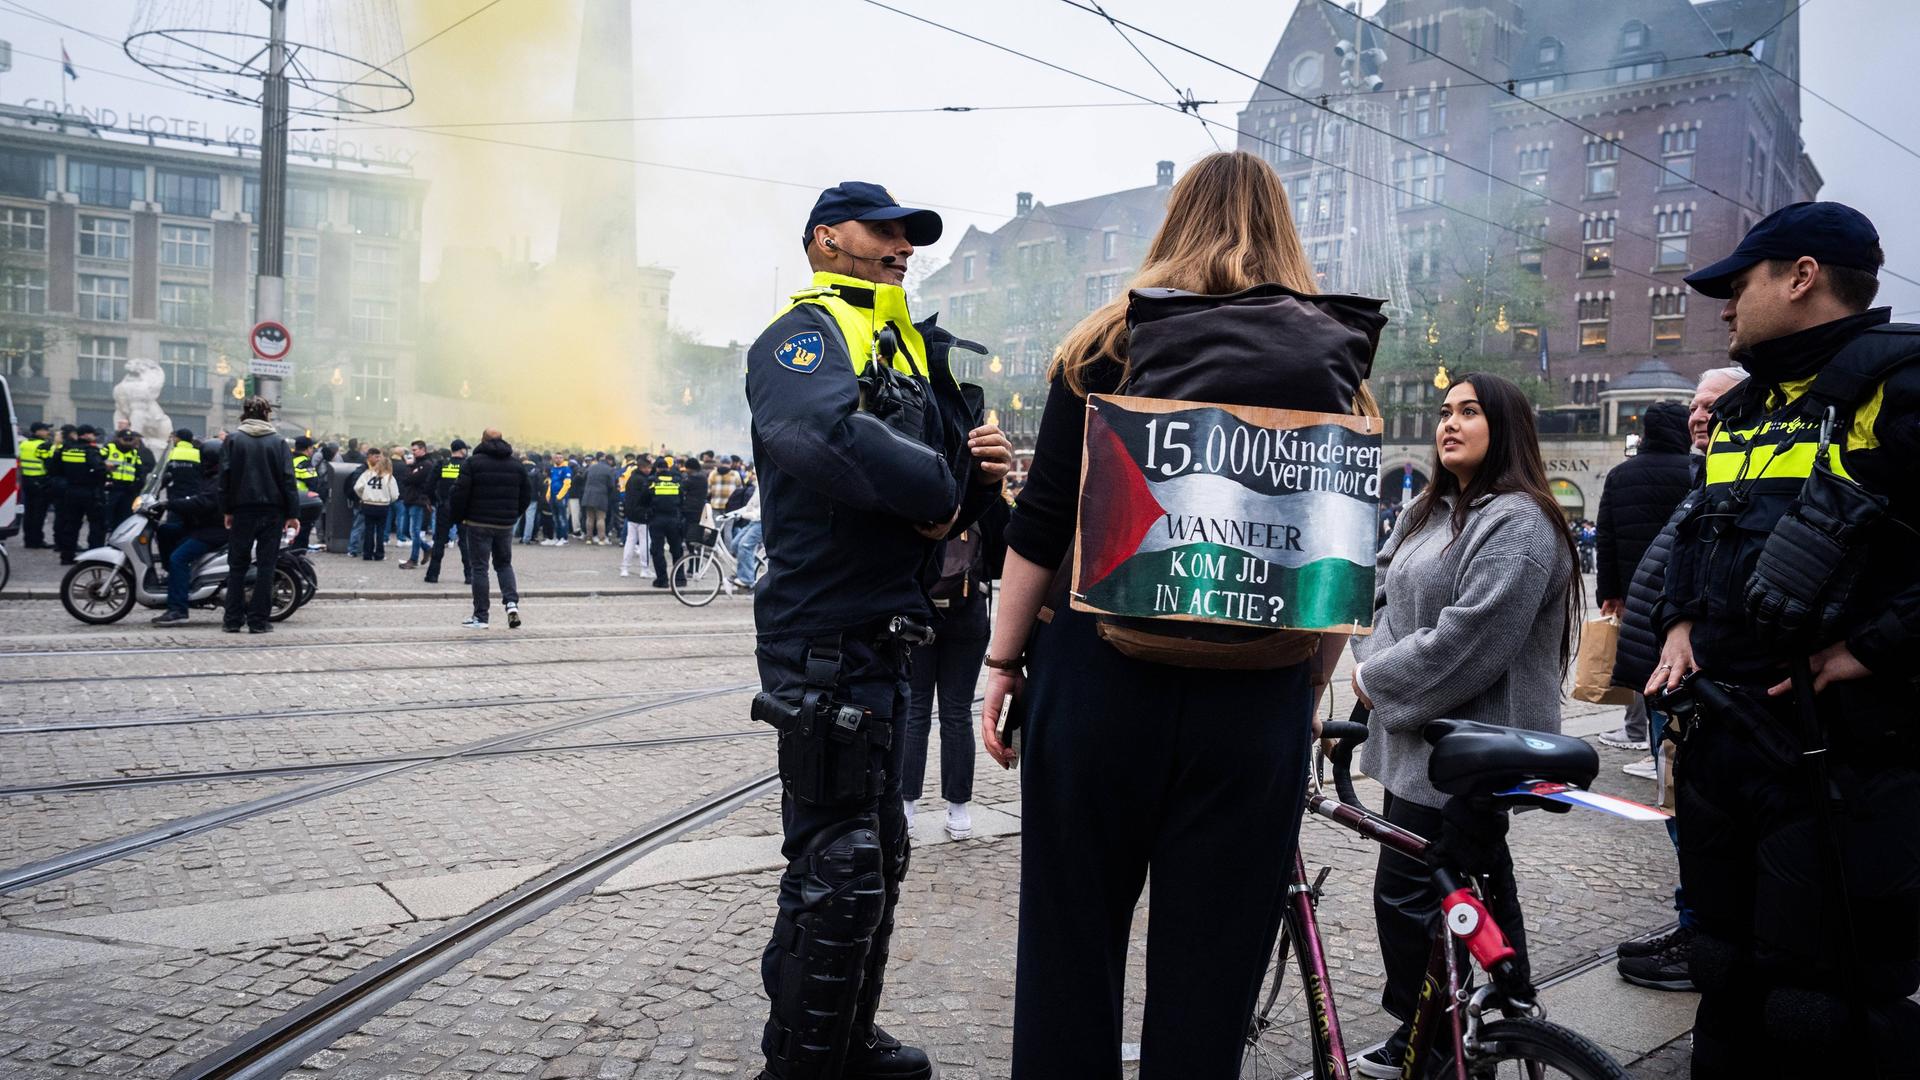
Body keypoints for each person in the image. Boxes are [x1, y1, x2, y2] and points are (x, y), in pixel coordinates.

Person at [977, 152, 1362, 1078]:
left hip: (1102, 676)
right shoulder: (1334, 354)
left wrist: (1000, 660)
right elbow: (1343, 548)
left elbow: (1043, 516)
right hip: (1255, 696)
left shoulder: (1107, 342)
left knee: (1072, 936)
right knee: (1215, 959)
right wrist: (1307, 681)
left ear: (1174, 222)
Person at [747, 179, 1011, 1080]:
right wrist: (944, 489)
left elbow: (951, 489)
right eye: (883, 230)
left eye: (910, 235)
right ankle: (802, 1065)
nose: (903, 246)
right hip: (820, 631)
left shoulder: (904, 350)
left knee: (879, 852)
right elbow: (814, 432)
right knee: (840, 863)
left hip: (890, 630)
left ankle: (845, 1040)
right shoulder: (802, 336)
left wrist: (983, 471)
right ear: (827, 239)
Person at [1649, 202, 1920, 1077]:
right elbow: (1704, 534)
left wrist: (1872, 649)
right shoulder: (1745, 407)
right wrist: (1682, 620)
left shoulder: (1901, 387)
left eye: (1739, 285)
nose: (1724, 307)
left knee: (1818, 1004)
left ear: (1802, 277)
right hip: (1726, 746)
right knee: (1722, 970)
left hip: (1845, 760)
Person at [1346, 373, 1578, 1076]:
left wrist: (1371, 679)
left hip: (1471, 750)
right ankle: (1446, 1026)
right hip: (1416, 744)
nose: (1449, 423)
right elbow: (1378, 594)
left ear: (1503, 427)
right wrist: (1375, 661)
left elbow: (1472, 638)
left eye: (1469, 413)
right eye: (1445, 411)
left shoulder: (1520, 521)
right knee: (1444, 892)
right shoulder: (1429, 510)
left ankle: (1445, 1044)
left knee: (1426, 898)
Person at [1608, 366, 1746, 993]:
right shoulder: (1702, 476)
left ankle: (1704, 935)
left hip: (1698, 683)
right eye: (1695, 404)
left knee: (1695, 814)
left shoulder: (1736, 480)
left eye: (1713, 403)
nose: (1699, 414)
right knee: (1677, 810)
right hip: (1671, 677)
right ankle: (1695, 924)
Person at [901, 495, 1006, 839]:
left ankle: (906, 808)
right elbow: (1001, 563)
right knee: (957, 713)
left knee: (915, 710)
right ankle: (958, 811)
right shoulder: (990, 500)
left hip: (920, 613)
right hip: (969, 616)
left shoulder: (919, 487)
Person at [1593, 402, 1693, 755]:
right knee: (1680, 659)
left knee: (1639, 657)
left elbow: (1606, 538)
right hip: (1683, 588)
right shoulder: (1697, 470)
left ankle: (1639, 731)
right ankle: (1673, 742)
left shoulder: (1621, 475)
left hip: (1635, 587)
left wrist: (1609, 592)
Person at [219, 397, 299, 633]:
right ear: (268, 415)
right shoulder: (278, 441)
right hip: (272, 511)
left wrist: (226, 510)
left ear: (244, 413)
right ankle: (258, 621)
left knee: (237, 566)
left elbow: (224, 478)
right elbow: (288, 479)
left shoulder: (233, 440)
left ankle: (232, 620)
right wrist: (292, 513)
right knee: (266, 566)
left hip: (242, 509)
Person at [448, 428, 532, 630]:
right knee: (504, 565)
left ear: (482, 440)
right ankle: (512, 605)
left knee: (479, 568)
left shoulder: (473, 463)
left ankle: (481, 616)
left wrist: (459, 517)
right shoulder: (516, 465)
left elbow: (460, 493)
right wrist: (513, 515)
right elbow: (527, 495)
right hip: (504, 524)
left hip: (478, 523)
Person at [150, 440, 227, 625]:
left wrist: (172, 503)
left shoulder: (220, 479)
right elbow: (198, 498)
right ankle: (176, 579)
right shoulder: (210, 475)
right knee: (165, 531)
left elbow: (204, 503)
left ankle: (178, 609)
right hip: (201, 526)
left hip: (214, 531)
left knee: (178, 558)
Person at [50, 424, 107, 564]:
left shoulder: (65, 450)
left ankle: (67, 556)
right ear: (87, 435)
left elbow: (55, 469)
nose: (94, 437)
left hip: (71, 491)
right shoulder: (91, 451)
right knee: (97, 525)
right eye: (93, 435)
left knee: (71, 524)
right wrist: (107, 472)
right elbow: (99, 470)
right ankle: (95, 556)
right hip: (91, 492)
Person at [424, 439, 472, 584]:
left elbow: (429, 485)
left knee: (439, 541)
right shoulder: (468, 465)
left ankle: (432, 575)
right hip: (464, 509)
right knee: (465, 542)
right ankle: (469, 576)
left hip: (444, 507)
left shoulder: (441, 464)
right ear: (462, 450)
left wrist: (434, 501)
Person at [637, 456, 686, 587]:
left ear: (657, 468)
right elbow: (682, 500)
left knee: (657, 550)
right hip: (674, 519)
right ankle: (680, 579)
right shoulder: (676, 481)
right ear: (667, 467)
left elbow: (642, 500)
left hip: (656, 519)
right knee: (676, 549)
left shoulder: (652, 481)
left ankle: (662, 580)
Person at [351, 447, 399, 562]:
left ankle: (367, 553)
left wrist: (363, 496)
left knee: (369, 529)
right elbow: (395, 494)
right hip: (382, 506)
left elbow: (357, 487)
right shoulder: (389, 477)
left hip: (368, 504)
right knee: (381, 530)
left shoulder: (367, 474)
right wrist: (389, 500)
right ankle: (379, 554)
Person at [103, 428, 154, 526]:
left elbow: (140, 470)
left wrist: (137, 484)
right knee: (107, 515)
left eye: (130, 439)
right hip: (112, 487)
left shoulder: (134, 452)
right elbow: (98, 463)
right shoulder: (109, 448)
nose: (128, 442)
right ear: (118, 438)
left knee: (124, 517)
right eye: (125, 439)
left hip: (128, 489)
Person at [17, 420, 53, 549]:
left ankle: (28, 540)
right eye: (45, 429)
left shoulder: (24, 444)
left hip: (26, 480)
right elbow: (50, 464)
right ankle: (37, 540)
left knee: (29, 512)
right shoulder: (44, 445)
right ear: (37, 431)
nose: (47, 432)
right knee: (39, 513)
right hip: (41, 482)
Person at [619, 454, 654, 577]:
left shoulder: (631, 478)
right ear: (642, 467)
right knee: (645, 543)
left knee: (630, 541)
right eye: (647, 467)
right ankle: (645, 569)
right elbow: (647, 498)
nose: (649, 470)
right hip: (643, 515)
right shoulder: (644, 480)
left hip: (631, 514)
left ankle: (625, 568)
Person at [290, 436, 322, 551]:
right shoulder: (305, 463)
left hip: (288, 501)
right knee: (302, 534)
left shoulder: (287, 459)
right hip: (304, 504)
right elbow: (313, 484)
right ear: (308, 449)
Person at [583, 452, 617, 544]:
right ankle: (601, 539)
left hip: (588, 495)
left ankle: (589, 539)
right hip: (601, 496)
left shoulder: (591, 467)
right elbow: (611, 485)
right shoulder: (609, 470)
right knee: (600, 518)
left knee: (589, 518)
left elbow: (584, 478)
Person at [543, 451, 572, 545]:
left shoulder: (566, 469)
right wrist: (548, 494)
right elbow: (550, 483)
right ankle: (558, 537)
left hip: (561, 497)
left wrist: (560, 495)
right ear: (553, 459)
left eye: (560, 457)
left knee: (562, 517)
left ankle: (564, 538)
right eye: (556, 457)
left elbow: (567, 484)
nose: (558, 459)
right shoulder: (553, 469)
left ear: (563, 459)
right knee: (555, 518)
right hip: (552, 497)